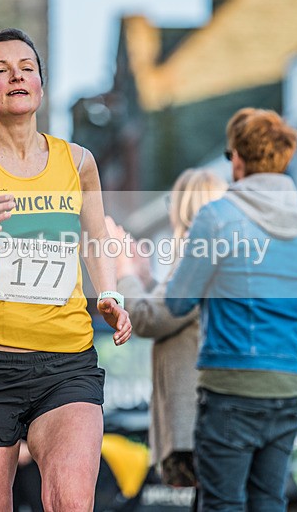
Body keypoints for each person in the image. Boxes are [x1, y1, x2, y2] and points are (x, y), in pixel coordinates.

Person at [0, 28, 131, 511]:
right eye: (0, 70)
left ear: (40, 84)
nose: (16, 75)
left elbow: (97, 239)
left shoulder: (78, 162)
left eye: (26, 67)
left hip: (66, 364)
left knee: (72, 503)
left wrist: (110, 294)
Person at [165, 108, 297, 510]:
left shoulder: (217, 218)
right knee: (269, 501)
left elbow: (177, 300)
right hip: (288, 383)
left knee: (222, 504)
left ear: (237, 157)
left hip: (231, 387)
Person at [105, 168, 227, 488]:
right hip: (207, 415)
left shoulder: (198, 252)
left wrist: (125, 272)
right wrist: (145, 280)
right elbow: (178, 311)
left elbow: (147, 318)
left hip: (196, 421)